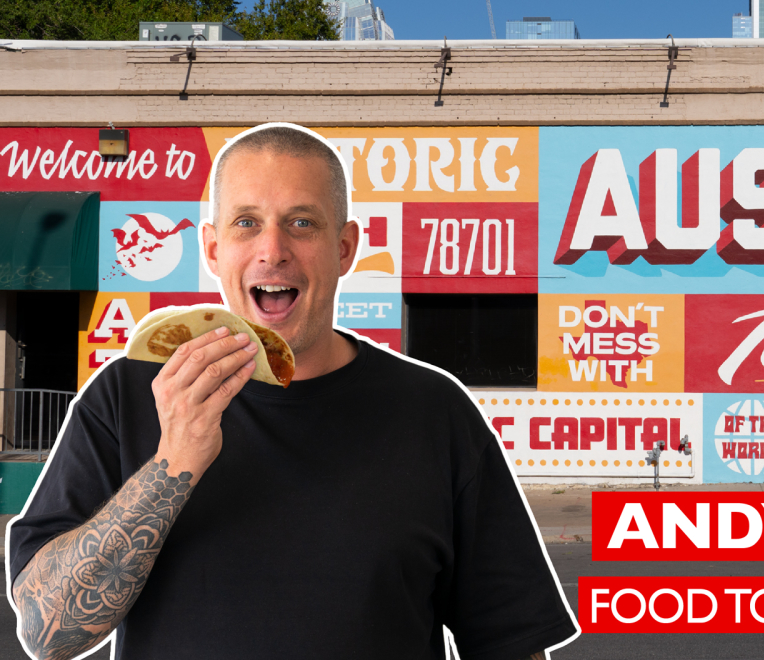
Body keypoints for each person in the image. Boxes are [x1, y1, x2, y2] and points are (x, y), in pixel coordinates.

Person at [5, 124, 579, 660]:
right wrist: (173, 462)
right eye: (246, 222)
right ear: (212, 249)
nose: (272, 249)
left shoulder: (435, 412)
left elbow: (510, 639)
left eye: (302, 222)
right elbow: (45, 632)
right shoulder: (132, 393)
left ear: (345, 248)